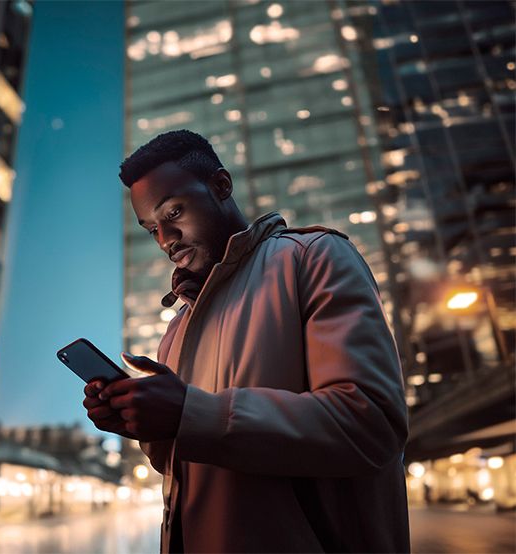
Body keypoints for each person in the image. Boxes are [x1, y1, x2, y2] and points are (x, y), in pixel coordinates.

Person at [83, 129, 411, 553]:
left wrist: (189, 411)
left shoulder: (313, 257)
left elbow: (371, 425)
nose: (165, 239)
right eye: (151, 230)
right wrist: (142, 421)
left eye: (174, 213)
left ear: (221, 186)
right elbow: (184, 465)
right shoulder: (176, 326)